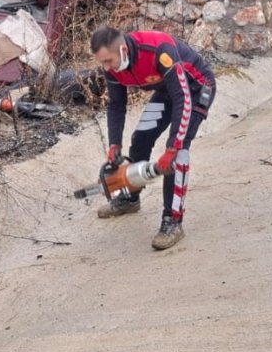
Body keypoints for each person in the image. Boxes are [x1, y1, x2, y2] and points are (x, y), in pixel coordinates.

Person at [90, 27, 215, 250]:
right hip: (168, 90)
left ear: (123, 49)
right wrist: (114, 145)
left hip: (196, 89)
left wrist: (173, 147)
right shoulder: (112, 68)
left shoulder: (159, 50)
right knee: (140, 140)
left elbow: (183, 98)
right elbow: (116, 106)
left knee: (179, 151)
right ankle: (131, 198)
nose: (106, 68)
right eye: (102, 63)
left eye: (109, 61)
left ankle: (173, 221)